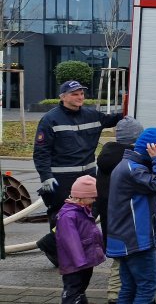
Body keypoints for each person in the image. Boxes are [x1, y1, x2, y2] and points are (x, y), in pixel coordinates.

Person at [33, 80, 122, 266]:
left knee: (89, 213)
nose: (80, 97)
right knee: (62, 217)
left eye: (81, 93)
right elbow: (41, 152)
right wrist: (46, 177)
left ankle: (50, 244)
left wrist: (131, 109)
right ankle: (59, 254)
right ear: (63, 97)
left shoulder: (91, 115)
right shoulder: (50, 119)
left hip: (88, 178)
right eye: (75, 94)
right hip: (61, 180)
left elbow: (114, 119)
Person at [106, 127, 156, 303]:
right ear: (154, 149)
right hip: (136, 239)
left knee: (129, 286)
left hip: (127, 237)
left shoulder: (127, 166)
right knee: (147, 287)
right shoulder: (133, 170)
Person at [96, 117, 144, 304]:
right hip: (130, 220)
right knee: (142, 264)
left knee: (119, 261)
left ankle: (114, 296)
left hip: (111, 221)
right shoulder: (133, 161)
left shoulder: (105, 159)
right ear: (136, 137)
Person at [56, 175, 105, 304]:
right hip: (76, 264)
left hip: (84, 261)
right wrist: (80, 262)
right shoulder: (69, 215)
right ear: (81, 196)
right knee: (73, 290)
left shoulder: (82, 210)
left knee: (80, 289)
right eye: (92, 197)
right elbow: (70, 241)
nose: (94, 200)